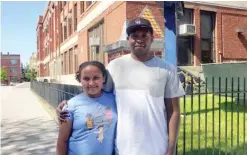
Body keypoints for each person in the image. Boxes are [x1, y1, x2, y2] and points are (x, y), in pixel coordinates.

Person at [57, 17, 185, 155]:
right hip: (122, 148)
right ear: (128, 39)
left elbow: (174, 111)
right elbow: (96, 94)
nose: (139, 39)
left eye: (144, 36)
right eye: (134, 36)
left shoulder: (167, 69)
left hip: (157, 147)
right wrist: (68, 106)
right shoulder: (114, 67)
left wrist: (171, 148)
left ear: (152, 38)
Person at [56, 61, 117, 155]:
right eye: (86, 79)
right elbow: (62, 141)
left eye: (96, 78)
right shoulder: (71, 105)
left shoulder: (114, 100)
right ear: (80, 80)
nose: (91, 83)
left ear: (103, 78)